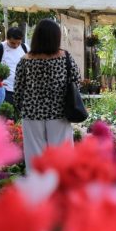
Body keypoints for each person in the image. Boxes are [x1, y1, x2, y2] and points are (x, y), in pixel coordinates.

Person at [14, 19, 80, 171]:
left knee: (35, 156)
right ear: (56, 37)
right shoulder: (65, 57)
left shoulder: (24, 61)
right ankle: (61, 188)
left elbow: (18, 90)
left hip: (31, 114)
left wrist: (22, 108)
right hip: (60, 112)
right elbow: (76, 81)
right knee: (62, 155)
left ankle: (38, 190)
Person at [0, 27, 29, 107]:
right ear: (7, 38)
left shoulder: (25, 48)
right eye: (13, 43)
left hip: (22, 91)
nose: (16, 45)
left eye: (18, 43)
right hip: (5, 90)